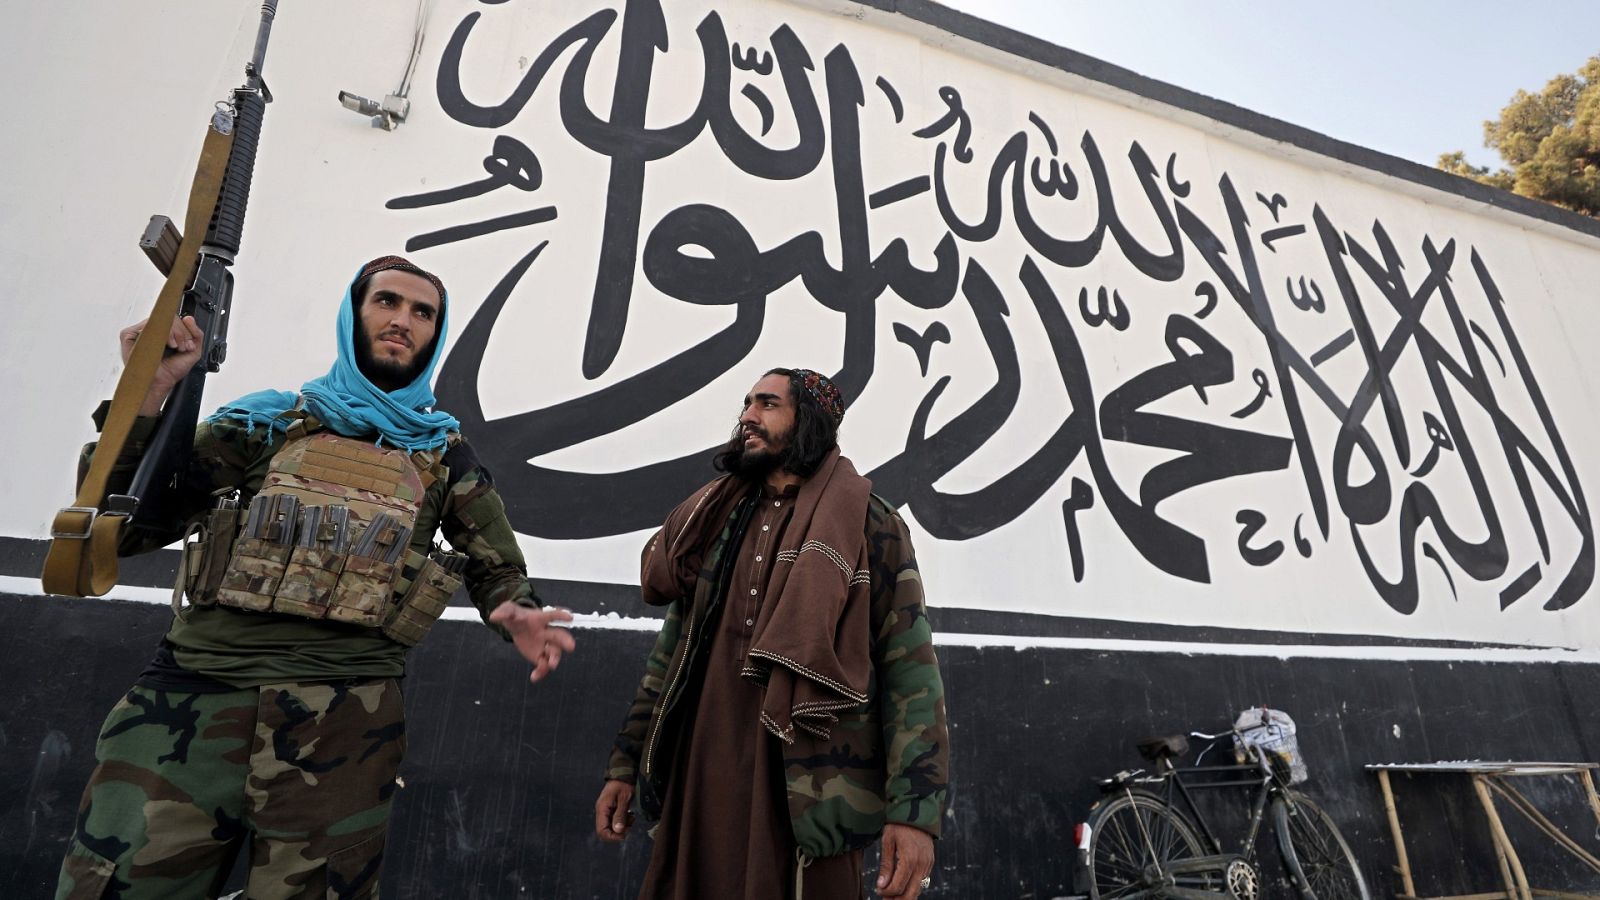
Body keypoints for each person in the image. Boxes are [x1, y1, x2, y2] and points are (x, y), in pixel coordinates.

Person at [54, 256, 576, 900]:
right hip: (192, 699)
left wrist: (517, 614)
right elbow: (128, 525)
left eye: (423, 313)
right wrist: (150, 390)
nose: (402, 321)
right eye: (386, 302)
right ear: (353, 314)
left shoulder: (445, 455)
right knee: (116, 885)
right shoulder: (264, 427)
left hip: (345, 724)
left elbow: (497, 567)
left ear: (436, 336)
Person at [593, 368, 950, 900]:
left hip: (807, 785)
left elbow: (909, 668)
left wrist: (916, 814)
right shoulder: (715, 519)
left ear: (808, 421)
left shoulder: (870, 525)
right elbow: (670, 655)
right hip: (702, 770)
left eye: (767, 405)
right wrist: (626, 765)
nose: (747, 418)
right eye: (747, 404)